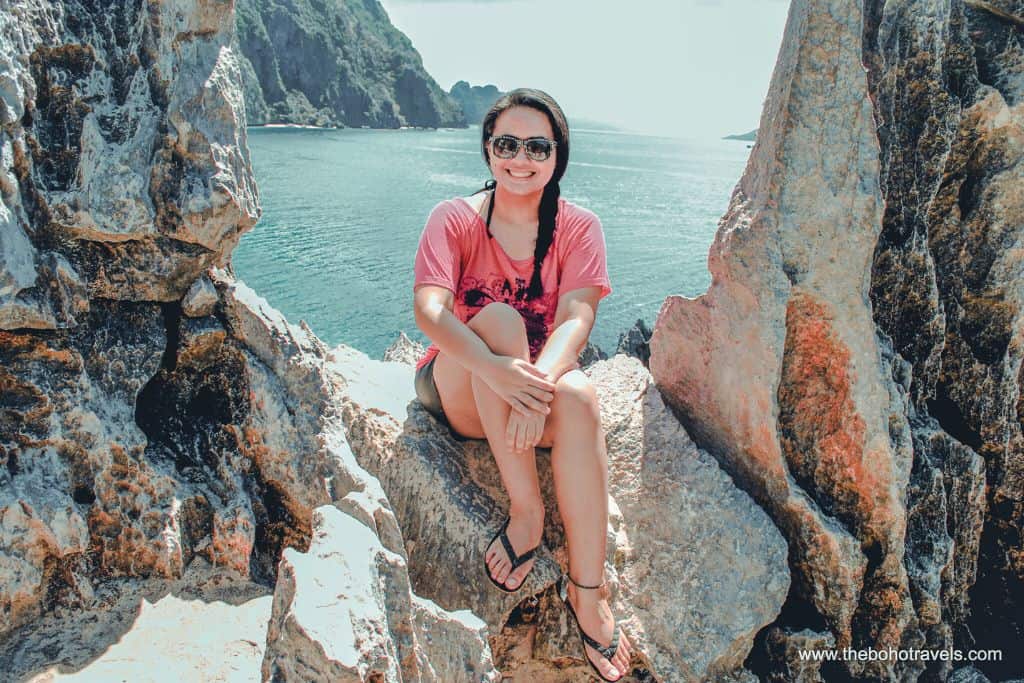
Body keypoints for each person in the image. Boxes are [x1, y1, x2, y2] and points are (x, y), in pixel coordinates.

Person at [411, 88, 633, 680]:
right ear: (488, 149)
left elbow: (577, 318)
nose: (520, 158)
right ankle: (526, 512)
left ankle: (588, 591)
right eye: (507, 144)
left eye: (537, 146)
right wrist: (496, 369)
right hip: (457, 384)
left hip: (523, 383)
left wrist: (535, 385)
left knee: (582, 398)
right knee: (503, 324)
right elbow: (431, 313)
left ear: (557, 155)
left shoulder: (579, 228)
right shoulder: (454, 218)